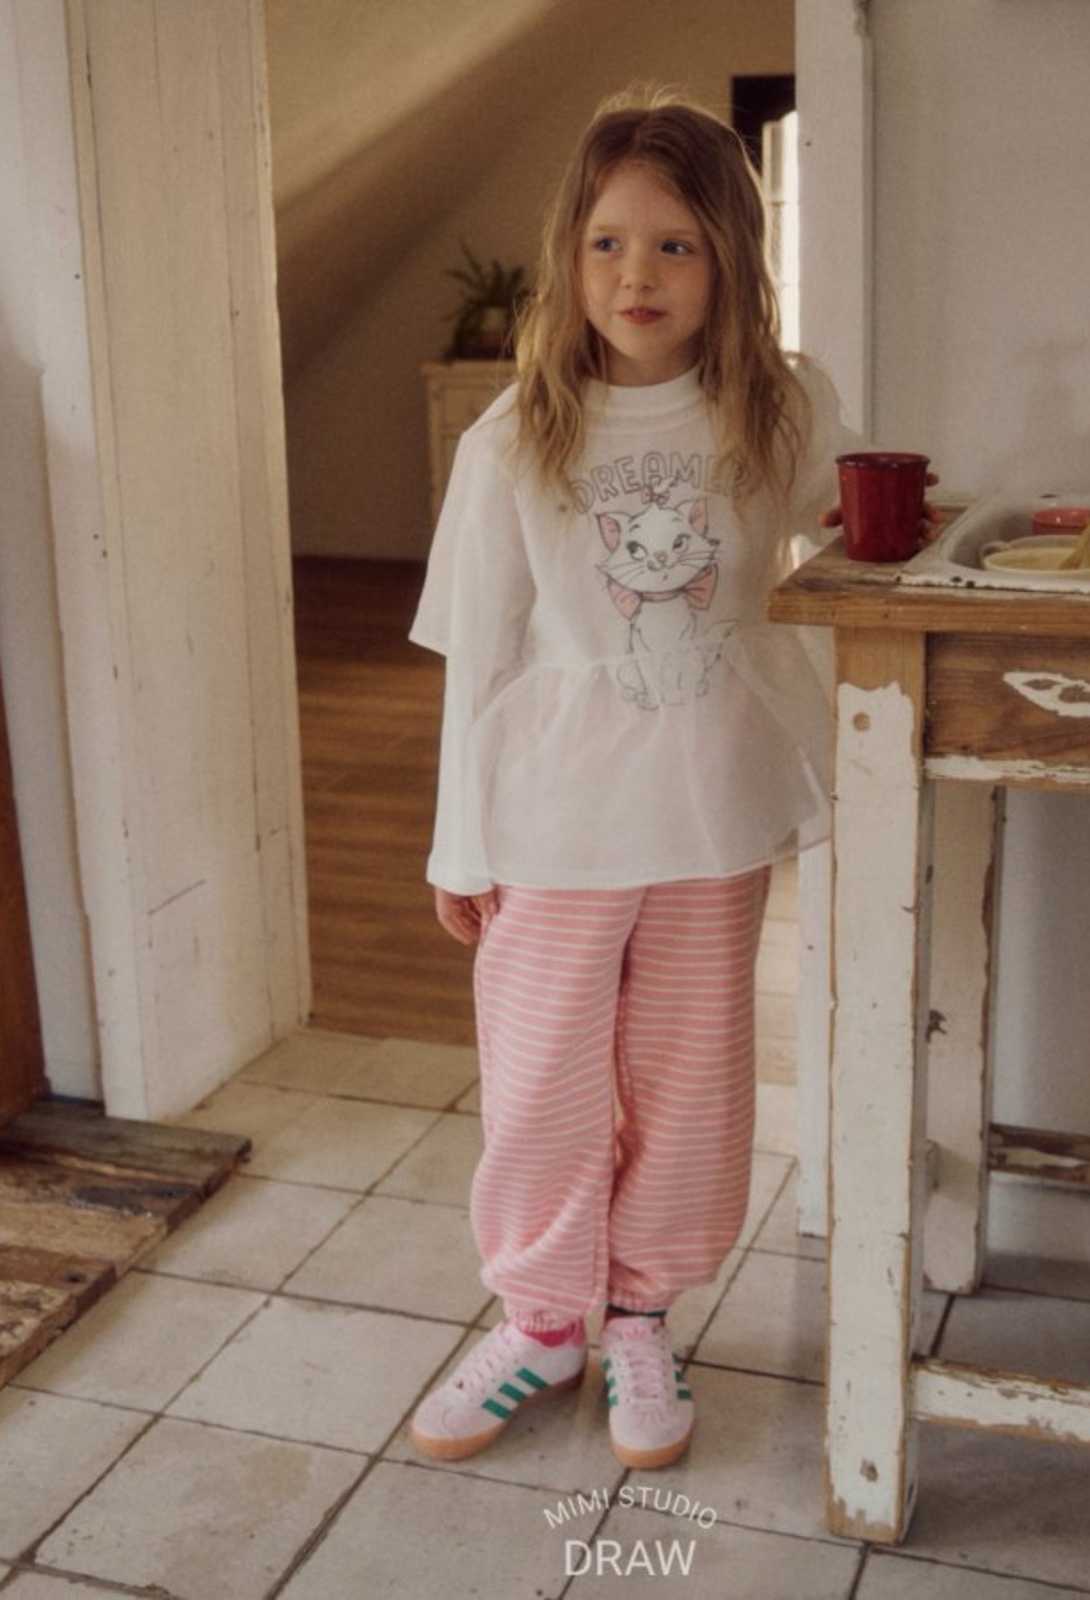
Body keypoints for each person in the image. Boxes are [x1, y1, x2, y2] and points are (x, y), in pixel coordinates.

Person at [407, 87, 860, 1472]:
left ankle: (645, 1313)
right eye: (607, 243)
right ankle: (543, 1322)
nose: (637, 275)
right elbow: (476, 661)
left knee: (693, 1077)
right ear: (570, 253)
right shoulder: (512, 439)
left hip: (710, 812)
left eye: (675, 244)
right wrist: (456, 846)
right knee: (539, 1081)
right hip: (550, 821)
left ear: (729, 256)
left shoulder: (782, 407)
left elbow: (850, 536)